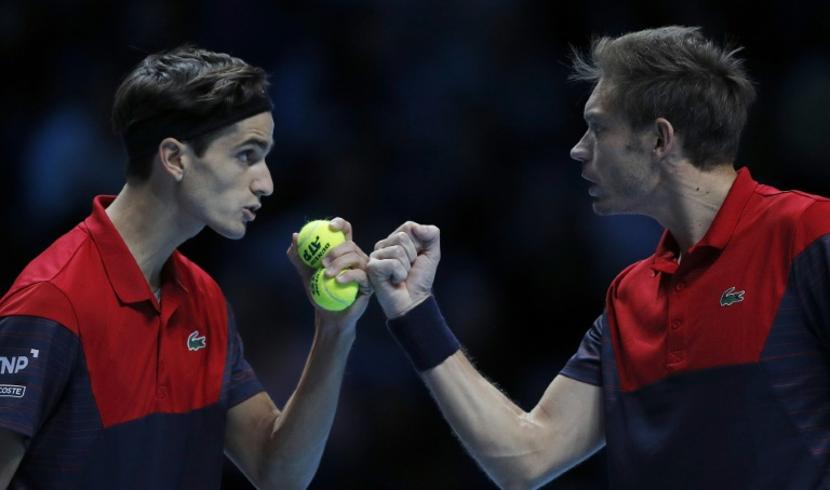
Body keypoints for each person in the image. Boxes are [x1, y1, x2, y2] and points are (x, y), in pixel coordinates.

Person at [367, 26, 830, 489]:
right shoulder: (628, 299)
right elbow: (527, 457)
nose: (578, 148)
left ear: (659, 139)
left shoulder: (808, 234)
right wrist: (414, 311)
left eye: (598, 127)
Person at [0, 46, 372, 489]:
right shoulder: (52, 300)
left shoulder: (204, 299)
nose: (267, 183)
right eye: (246, 155)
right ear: (175, 158)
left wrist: (335, 332)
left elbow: (279, 474)